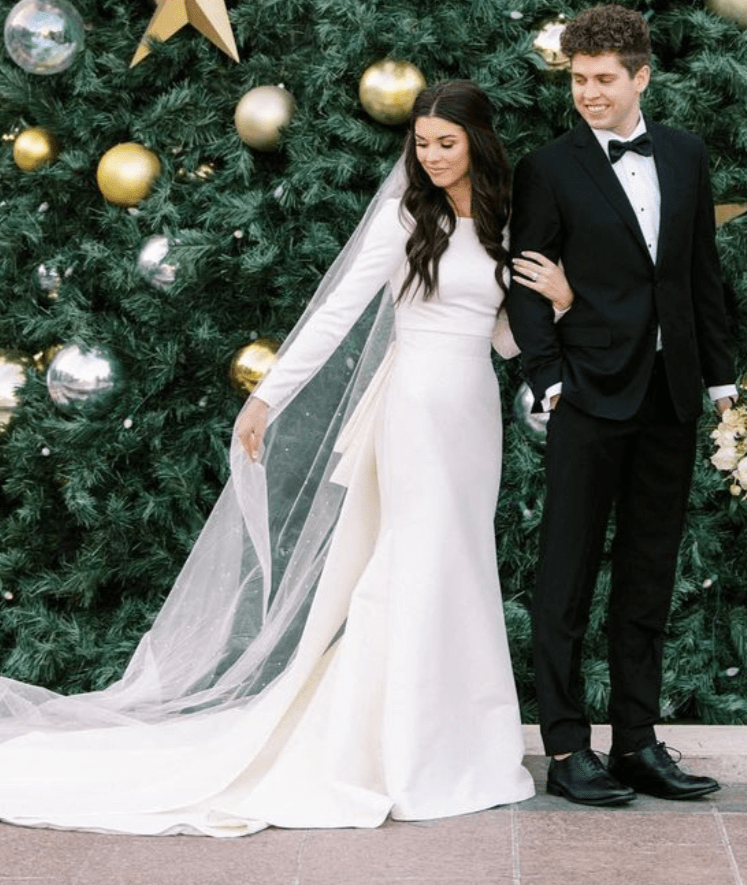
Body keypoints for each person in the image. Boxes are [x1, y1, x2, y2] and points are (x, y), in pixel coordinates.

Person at [0, 80, 572, 836]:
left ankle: (458, 743)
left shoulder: (504, 222)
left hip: (471, 412)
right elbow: (337, 312)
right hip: (411, 409)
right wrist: (268, 396)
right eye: (422, 144)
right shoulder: (406, 216)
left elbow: (500, 338)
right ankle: (397, 752)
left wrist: (559, 302)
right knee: (413, 561)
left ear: (478, 143)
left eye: (447, 143)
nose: (432, 157)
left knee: (460, 562)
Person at [507, 5, 736, 807]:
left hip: (671, 399)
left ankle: (636, 742)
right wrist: (550, 380)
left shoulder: (685, 154)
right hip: (588, 398)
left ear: (642, 76)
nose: (589, 93)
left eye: (604, 79)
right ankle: (568, 749)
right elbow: (526, 286)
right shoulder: (547, 167)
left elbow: (700, 273)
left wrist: (721, 384)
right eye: (578, 80)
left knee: (648, 575)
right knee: (565, 578)